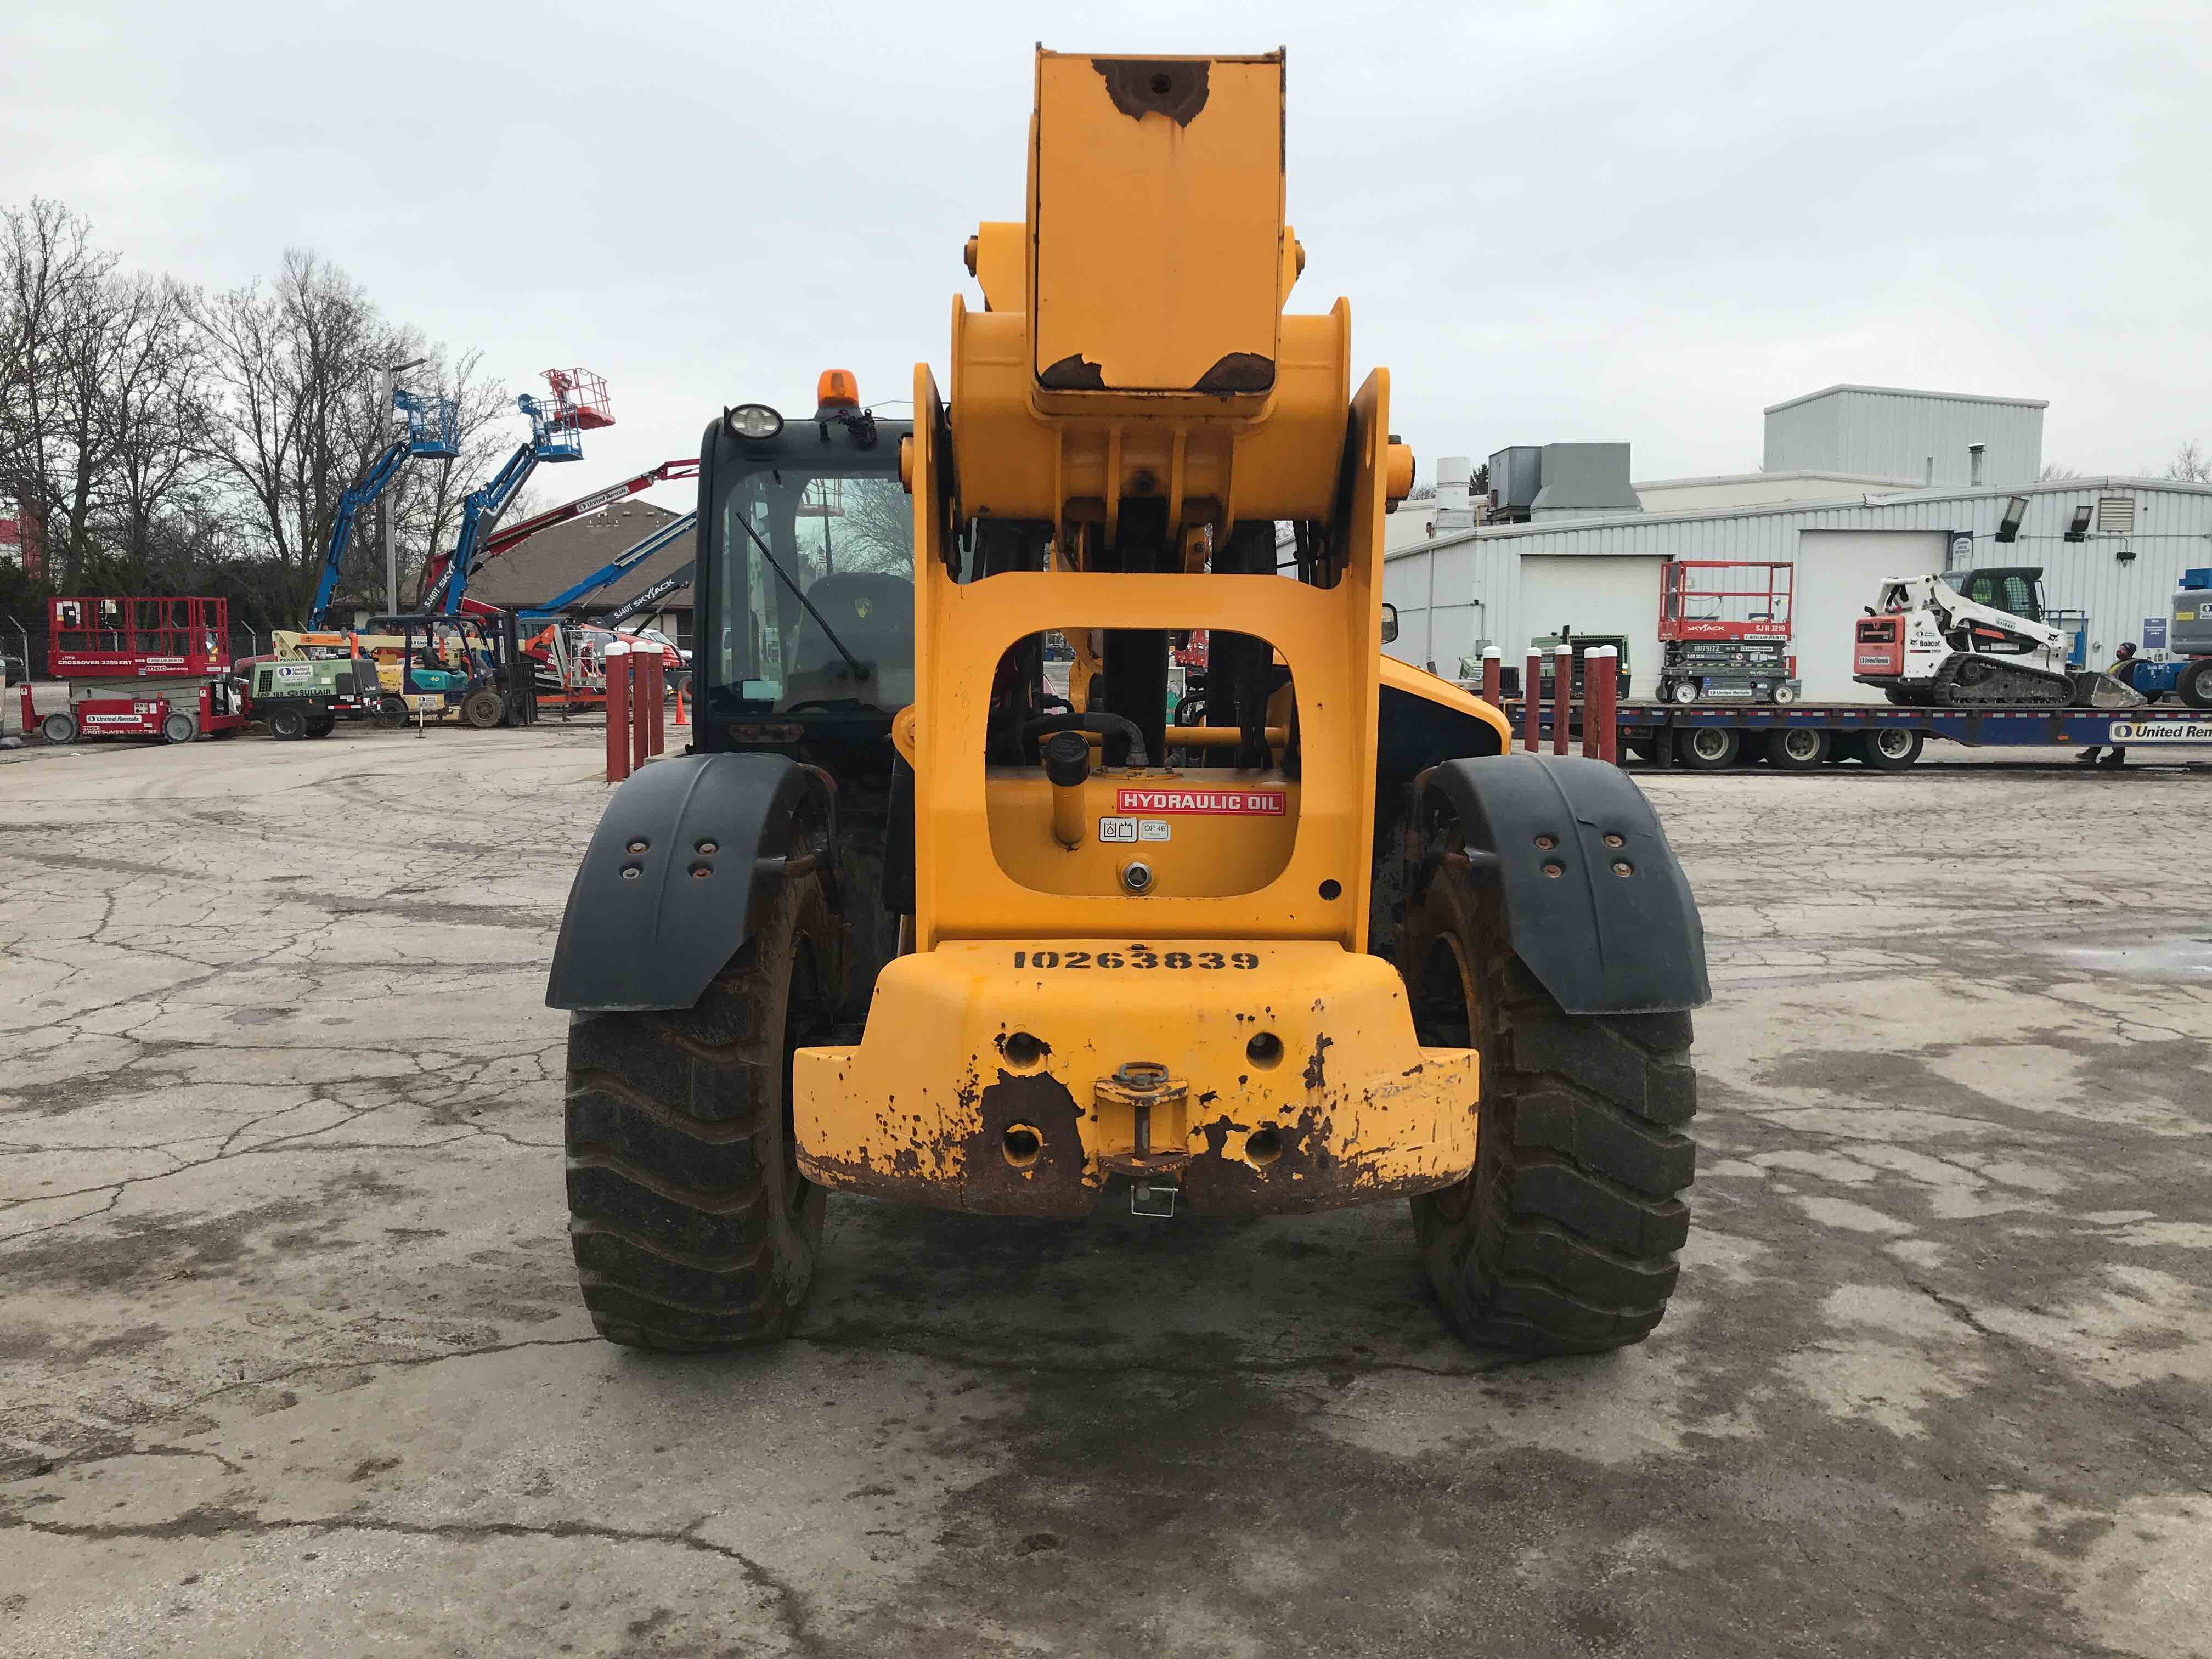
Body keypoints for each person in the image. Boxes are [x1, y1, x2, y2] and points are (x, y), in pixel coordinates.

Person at [2077, 642, 2140, 766]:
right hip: (2109, 700)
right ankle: (2095, 751)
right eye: (2119, 648)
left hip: (2119, 701)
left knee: (2116, 729)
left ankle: (2116, 755)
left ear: (2130, 652)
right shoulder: (2118, 664)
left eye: (2123, 650)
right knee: (2102, 726)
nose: (2119, 651)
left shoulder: (2130, 667)